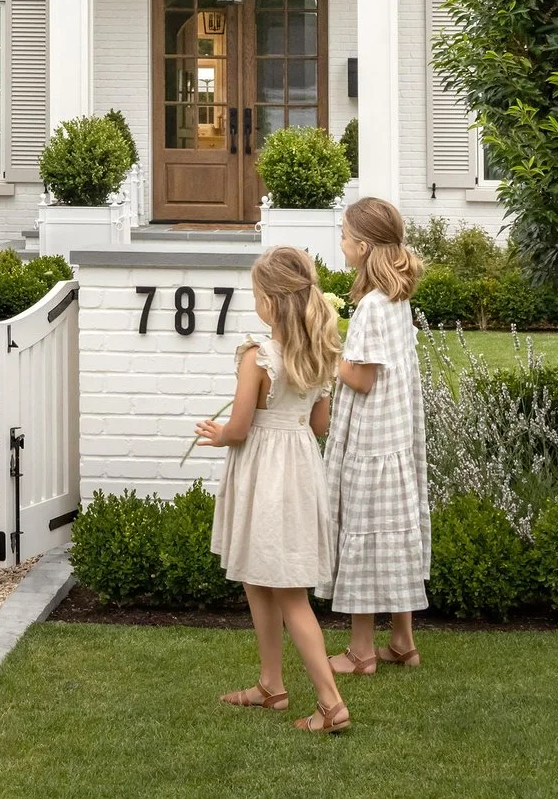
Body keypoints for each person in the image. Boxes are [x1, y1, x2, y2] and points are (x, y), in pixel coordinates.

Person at [195, 245, 350, 734]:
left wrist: (218, 434)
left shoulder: (257, 356)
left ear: (272, 301)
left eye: (257, 294)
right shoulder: (320, 355)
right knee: (259, 576)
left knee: (289, 593)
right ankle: (271, 686)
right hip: (301, 468)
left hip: (264, 469)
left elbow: (239, 428)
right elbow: (320, 424)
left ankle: (331, 704)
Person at [320, 197, 431, 676]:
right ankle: (402, 640)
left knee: (364, 532)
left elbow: (361, 378)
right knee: (391, 530)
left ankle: (362, 650)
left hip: (370, 440)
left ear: (362, 246)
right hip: (396, 436)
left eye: (344, 236)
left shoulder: (369, 306)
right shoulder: (398, 299)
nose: (340, 243)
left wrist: (328, 356)